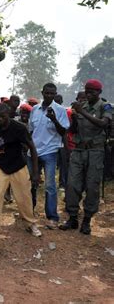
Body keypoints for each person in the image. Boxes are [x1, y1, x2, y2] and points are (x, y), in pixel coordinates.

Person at [0, 104, 42, 243]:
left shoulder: (19, 128)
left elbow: (32, 148)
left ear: (9, 115)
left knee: (24, 196)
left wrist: (35, 172)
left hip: (18, 166)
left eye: (3, 117)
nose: (0, 119)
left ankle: (30, 223)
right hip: (1, 166)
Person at [60, 79, 112, 235]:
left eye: (92, 92)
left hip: (96, 152)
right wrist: (75, 118)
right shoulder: (80, 107)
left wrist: (82, 113)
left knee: (92, 186)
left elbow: (103, 124)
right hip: (78, 150)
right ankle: (73, 217)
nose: (88, 94)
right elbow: (73, 130)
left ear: (99, 93)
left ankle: (87, 220)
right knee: (72, 184)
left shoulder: (105, 106)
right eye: (87, 91)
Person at [28, 83, 69, 229]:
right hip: (33, 152)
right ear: (42, 92)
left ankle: (52, 217)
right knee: (30, 183)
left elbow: (63, 132)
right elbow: (30, 130)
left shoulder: (60, 110)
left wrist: (54, 119)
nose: (49, 96)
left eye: (52, 93)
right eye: (47, 93)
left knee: (50, 185)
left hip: (50, 151)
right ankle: (28, 212)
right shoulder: (35, 109)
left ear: (55, 94)